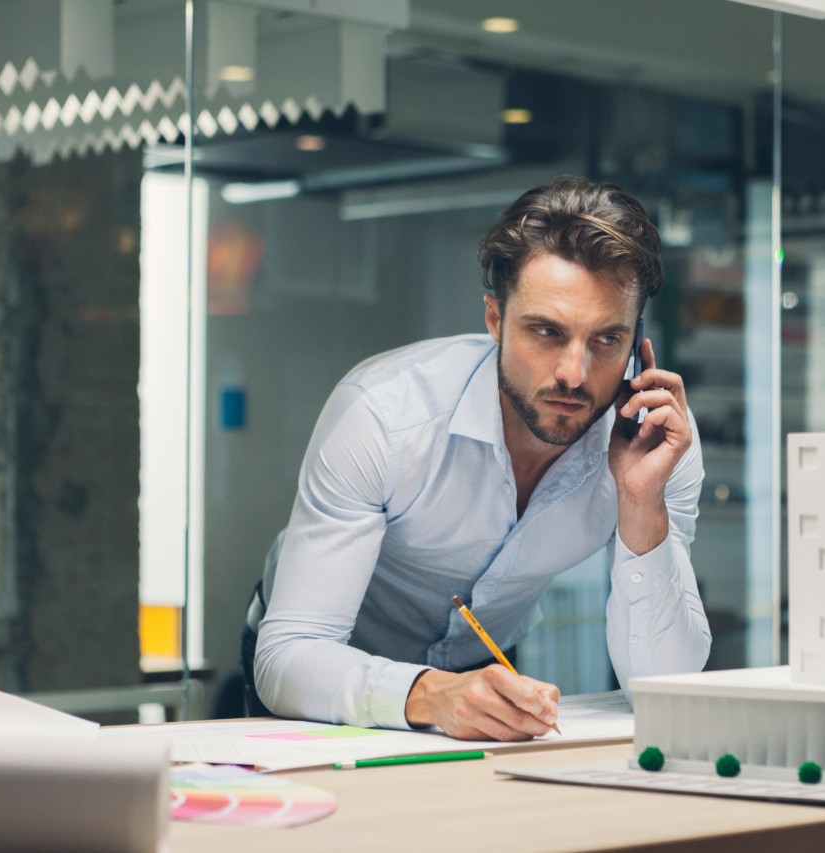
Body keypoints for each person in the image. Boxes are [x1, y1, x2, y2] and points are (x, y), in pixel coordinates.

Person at [246, 176, 711, 741]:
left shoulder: (657, 443)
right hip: (326, 672)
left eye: (606, 340)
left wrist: (641, 503)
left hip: (477, 674)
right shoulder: (385, 416)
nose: (574, 372)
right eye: (546, 331)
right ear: (494, 320)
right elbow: (290, 655)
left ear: (638, 341)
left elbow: (665, 684)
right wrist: (428, 693)